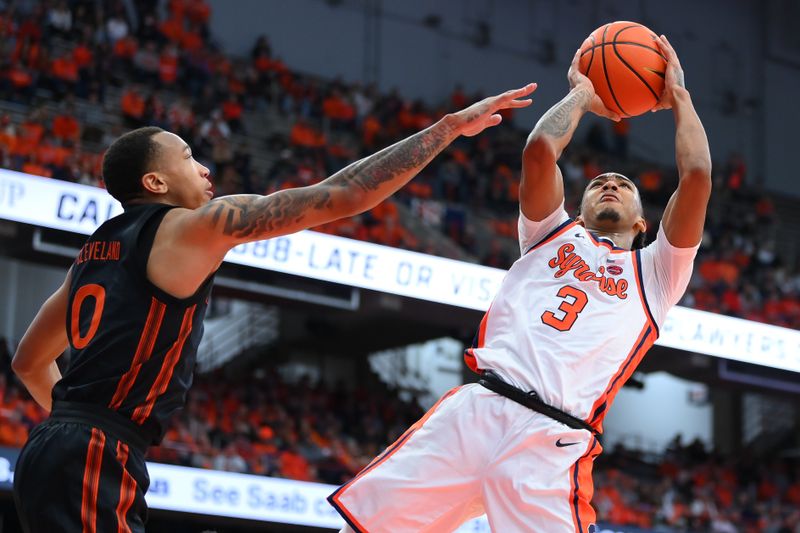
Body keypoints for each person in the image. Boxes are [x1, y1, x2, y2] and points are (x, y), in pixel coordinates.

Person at [10, 83, 536, 533]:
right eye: (189, 157)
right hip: (94, 451)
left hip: (56, 448)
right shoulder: (194, 226)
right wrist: (444, 129)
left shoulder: (93, 255)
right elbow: (343, 194)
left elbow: (29, 362)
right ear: (155, 182)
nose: (205, 167)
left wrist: (71, 423)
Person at [329, 35, 710, 533]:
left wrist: (679, 94)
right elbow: (539, 150)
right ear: (578, 207)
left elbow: (698, 174)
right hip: (478, 410)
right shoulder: (549, 234)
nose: (610, 185)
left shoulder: (658, 273)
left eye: (623, 184)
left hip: (552, 439)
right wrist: (583, 94)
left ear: (643, 223)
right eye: (599, 183)